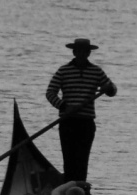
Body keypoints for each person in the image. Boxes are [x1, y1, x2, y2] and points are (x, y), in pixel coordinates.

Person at [45, 38, 117, 182]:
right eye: (80, 51)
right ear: (74, 52)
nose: (83, 54)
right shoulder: (64, 71)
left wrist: (108, 88)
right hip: (68, 122)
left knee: (82, 162)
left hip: (86, 123)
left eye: (85, 51)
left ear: (89, 53)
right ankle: (69, 191)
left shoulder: (96, 71)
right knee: (69, 161)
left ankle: (79, 192)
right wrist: (64, 106)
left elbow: (112, 90)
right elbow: (50, 92)